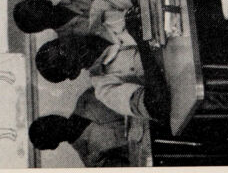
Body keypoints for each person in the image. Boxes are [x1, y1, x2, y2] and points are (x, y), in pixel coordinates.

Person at [34, 15, 171, 123]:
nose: (69, 46)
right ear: (74, 73)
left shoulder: (101, 13)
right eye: (64, 57)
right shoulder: (105, 89)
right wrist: (142, 43)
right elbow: (157, 107)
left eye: (60, 44)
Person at [28, 90, 133, 167]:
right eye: (50, 131)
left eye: (50, 120)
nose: (55, 124)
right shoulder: (93, 160)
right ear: (53, 145)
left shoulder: (87, 98)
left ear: (54, 116)